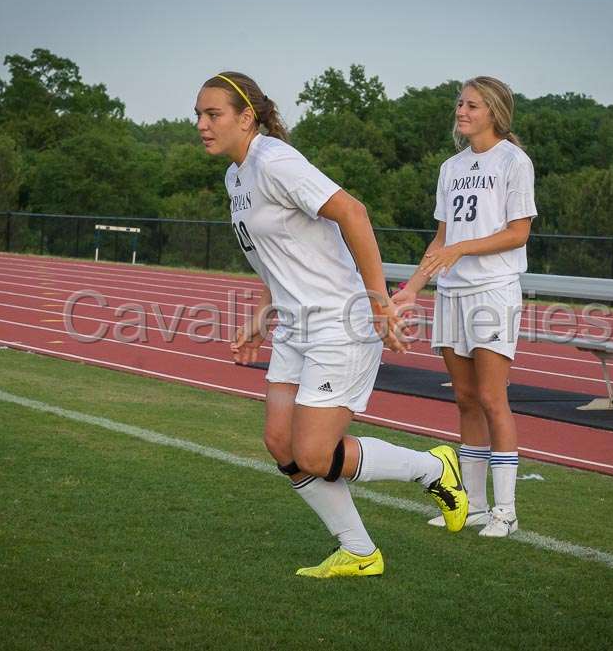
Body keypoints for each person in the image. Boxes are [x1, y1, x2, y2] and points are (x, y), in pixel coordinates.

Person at [195, 72, 469, 578]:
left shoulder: (275, 160)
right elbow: (278, 256)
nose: (203, 125)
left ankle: (434, 467)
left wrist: (377, 301)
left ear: (245, 117)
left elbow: (353, 212)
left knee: (315, 454)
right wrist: (262, 312)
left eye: (213, 114)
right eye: (199, 115)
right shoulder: (236, 176)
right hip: (296, 327)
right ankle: (360, 552)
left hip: (338, 321)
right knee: (281, 444)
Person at [393, 76, 536, 537]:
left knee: (494, 398)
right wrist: (414, 287)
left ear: (493, 111)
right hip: (451, 293)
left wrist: (463, 249)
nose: (462, 110)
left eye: (472, 104)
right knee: (465, 399)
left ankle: (506, 512)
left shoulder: (514, 161)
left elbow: (518, 233)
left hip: (493, 290)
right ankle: (474, 506)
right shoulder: (451, 167)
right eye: (460, 103)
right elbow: (441, 239)